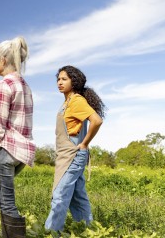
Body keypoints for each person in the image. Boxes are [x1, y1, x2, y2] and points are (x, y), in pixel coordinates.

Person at [0, 36, 34, 237]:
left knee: (7, 204)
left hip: (4, 152)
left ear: (2, 59)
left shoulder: (4, 85)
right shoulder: (24, 85)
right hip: (19, 153)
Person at [44, 65, 105, 232]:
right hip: (67, 155)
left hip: (72, 156)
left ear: (74, 81)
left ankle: (51, 233)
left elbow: (96, 120)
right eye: (58, 79)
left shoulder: (76, 100)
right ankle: (88, 231)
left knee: (59, 196)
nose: (59, 82)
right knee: (78, 198)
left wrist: (84, 143)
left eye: (64, 79)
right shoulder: (67, 102)